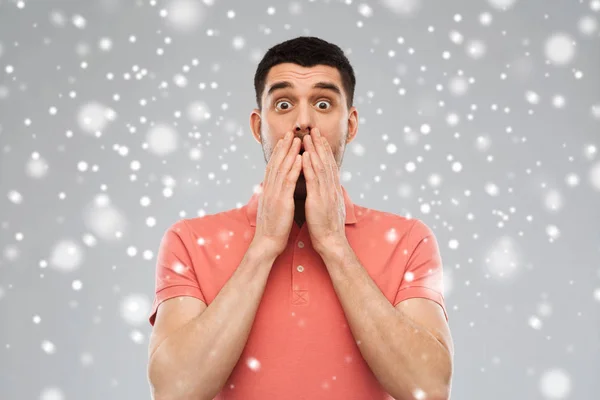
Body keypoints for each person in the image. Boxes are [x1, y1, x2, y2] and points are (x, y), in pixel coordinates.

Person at [147, 36, 454, 400]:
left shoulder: (409, 240)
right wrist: (263, 247)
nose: (303, 121)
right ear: (258, 126)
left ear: (350, 125)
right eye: (283, 104)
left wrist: (334, 246)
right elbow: (174, 391)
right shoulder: (188, 240)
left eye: (323, 104)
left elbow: (430, 389)